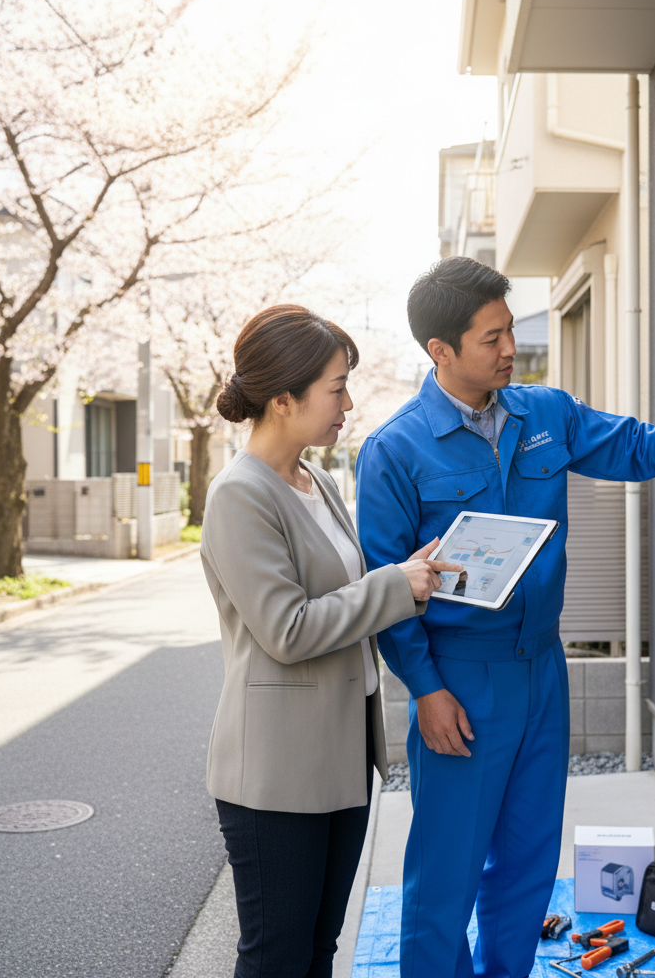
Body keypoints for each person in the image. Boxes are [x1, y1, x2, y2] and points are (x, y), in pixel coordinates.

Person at [354, 257, 655, 978]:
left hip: (543, 667)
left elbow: (637, 448)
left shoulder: (546, 413)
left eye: (510, 330)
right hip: (459, 680)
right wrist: (426, 689)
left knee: (527, 861)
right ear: (440, 350)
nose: (511, 348)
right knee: (445, 873)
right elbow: (386, 590)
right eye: (491, 338)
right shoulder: (394, 450)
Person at [200, 304, 459, 978]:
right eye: (336, 388)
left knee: (319, 951)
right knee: (277, 958)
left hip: (339, 758)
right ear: (283, 400)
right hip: (277, 773)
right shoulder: (239, 495)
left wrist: (409, 576)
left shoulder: (315, 479)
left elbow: (346, 591)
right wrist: (393, 587)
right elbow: (287, 629)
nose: (348, 405)